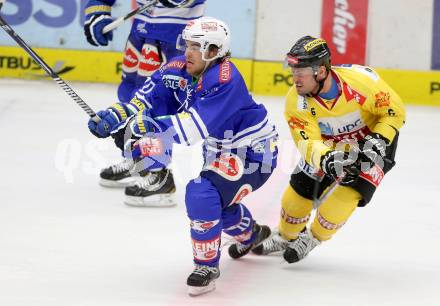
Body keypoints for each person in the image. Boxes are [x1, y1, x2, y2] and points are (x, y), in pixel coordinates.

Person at [87, 17, 279, 296]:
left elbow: (192, 128)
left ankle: (206, 266)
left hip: (251, 151)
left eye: (196, 46)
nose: (187, 52)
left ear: (214, 51)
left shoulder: (226, 79)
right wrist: (117, 114)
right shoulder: (177, 67)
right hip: (220, 149)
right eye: (187, 44)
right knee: (219, 205)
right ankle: (251, 234)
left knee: (202, 193)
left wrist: (149, 127)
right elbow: (145, 100)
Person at [252, 36, 406, 263]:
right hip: (330, 147)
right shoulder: (296, 101)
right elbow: (306, 142)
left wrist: (376, 141)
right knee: (295, 201)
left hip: (372, 142)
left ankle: (314, 237)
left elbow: (394, 111)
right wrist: (327, 159)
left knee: (340, 202)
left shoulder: (362, 82)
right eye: (293, 71)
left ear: (321, 72)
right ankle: (285, 235)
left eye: (301, 72)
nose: (295, 79)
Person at [83, 0, 206, 206]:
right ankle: (137, 160)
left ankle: (158, 174)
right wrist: (98, 8)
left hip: (178, 31)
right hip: (141, 25)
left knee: (159, 99)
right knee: (132, 93)